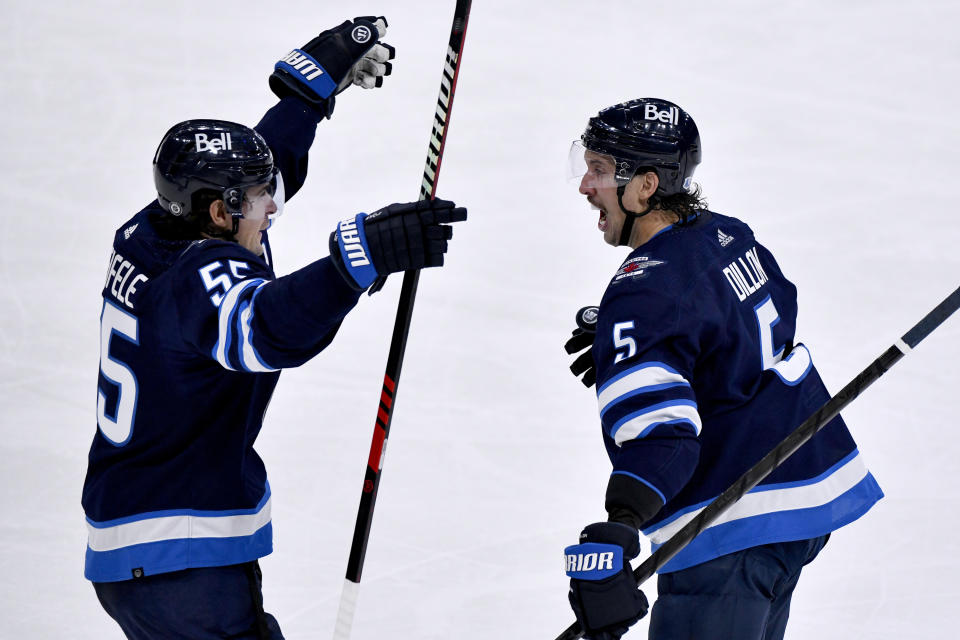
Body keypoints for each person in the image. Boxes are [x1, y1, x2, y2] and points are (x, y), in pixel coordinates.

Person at [82, 17, 466, 639]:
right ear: (217, 210)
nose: (272, 206)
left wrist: (303, 97)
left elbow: (264, 171)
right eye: (259, 198)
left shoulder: (154, 229)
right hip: (181, 559)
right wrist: (356, 258)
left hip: (149, 547)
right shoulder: (196, 281)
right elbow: (269, 328)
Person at [561, 98, 883, 640]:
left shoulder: (644, 293)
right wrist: (666, 342)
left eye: (597, 171)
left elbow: (664, 436)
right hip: (800, 496)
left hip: (731, 522)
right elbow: (770, 319)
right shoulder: (724, 233)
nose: (585, 186)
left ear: (644, 186)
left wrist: (620, 527)